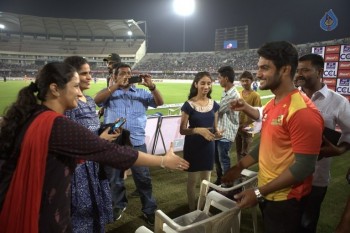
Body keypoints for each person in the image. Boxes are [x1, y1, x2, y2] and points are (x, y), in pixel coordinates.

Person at [0, 62, 189, 233]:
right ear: (55, 89)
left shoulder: (36, 115)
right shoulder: (57, 124)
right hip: (45, 211)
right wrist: (163, 160)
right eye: (75, 86)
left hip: (33, 202)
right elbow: (109, 151)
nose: (79, 91)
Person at [221, 41, 324, 233]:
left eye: (264, 68)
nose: (258, 74)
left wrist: (258, 192)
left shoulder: (302, 111)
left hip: (287, 201)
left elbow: (304, 167)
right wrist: (239, 167)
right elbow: (267, 144)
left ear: (285, 70)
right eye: (259, 68)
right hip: (269, 193)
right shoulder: (273, 104)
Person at [94, 63, 163, 225]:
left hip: (136, 142)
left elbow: (159, 102)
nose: (127, 76)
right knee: (114, 177)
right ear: (114, 76)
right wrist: (116, 85)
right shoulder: (110, 93)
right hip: (114, 143)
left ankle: (149, 209)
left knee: (143, 178)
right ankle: (118, 205)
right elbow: (97, 100)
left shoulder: (141, 92)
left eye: (129, 73)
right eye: (122, 73)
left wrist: (152, 86)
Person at [294, 53, 350, 233]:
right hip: (288, 174)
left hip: (316, 178)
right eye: (298, 70)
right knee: (287, 223)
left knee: (307, 225)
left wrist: (340, 149)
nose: (300, 74)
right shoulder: (293, 98)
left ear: (319, 71)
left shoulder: (337, 101)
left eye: (305, 70)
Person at [64, 56, 117, 233]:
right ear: (72, 76)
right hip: (79, 170)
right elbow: (71, 142)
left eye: (90, 73)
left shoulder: (90, 100)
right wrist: (101, 139)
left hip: (95, 164)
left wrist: (106, 130)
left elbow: (91, 130)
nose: (89, 77)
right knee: (82, 216)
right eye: (84, 73)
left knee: (96, 213)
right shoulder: (70, 104)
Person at [179, 71, 222, 211]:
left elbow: (215, 129)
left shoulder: (214, 105)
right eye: (202, 83)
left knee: (206, 181)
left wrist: (218, 134)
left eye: (209, 83)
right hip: (193, 147)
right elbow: (182, 130)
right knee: (192, 181)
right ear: (196, 84)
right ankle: (192, 209)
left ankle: (202, 208)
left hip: (208, 146)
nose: (206, 86)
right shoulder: (188, 105)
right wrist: (198, 130)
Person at [214, 66, 240, 185]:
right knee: (218, 160)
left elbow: (219, 111)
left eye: (219, 77)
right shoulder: (226, 92)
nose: (218, 80)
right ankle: (221, 180)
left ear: (226, 78)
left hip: (226, 132)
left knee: (224, 160)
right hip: (221, 131)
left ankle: (227, 184)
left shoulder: (233, 95)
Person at [235, 71, 262, 162]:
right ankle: (239, 172)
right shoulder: (238, 93)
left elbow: (258, 113)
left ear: (251, 81)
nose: (244, 83)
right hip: (238, 126)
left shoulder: (255, 95)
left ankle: (243, 174)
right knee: (238, 150)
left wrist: (246, 124)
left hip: (249, 128)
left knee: (245, 152)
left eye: (247, 81)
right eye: (242, 81)